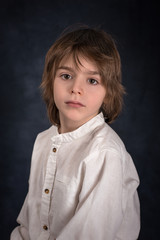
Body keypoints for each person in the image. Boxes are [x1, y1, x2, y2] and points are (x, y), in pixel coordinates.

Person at [10, 26, 140, 240]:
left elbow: (89, 235)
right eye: (66, 75)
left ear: (108, 94)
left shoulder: (104, 153)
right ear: (51, 81)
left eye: (92, 80)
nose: (75, 88)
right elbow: (29, 223)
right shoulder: (43, 142)